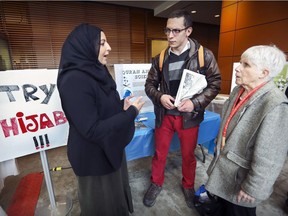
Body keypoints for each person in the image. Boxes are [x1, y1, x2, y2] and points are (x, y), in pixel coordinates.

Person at [57, 23, 144, 216]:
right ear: (85, 46)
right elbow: (91, 129)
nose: (109, 48)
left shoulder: (97, 72)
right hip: (93, 159)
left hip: (109, 148)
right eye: (102, 43)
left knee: (115, 199)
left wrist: (121, 106)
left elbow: (100, 106)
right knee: (102, 205)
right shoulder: (74, 80)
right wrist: (131, 114)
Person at [144, 9, 221, 208]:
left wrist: (194, 103)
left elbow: (215, 84)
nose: (170, 35)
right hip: (165, 116)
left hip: (189, 116)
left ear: (188, 31)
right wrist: (160, 97)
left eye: (176, 31)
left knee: (188, 155)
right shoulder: (160, 58)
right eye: (167, 30)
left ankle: (188, 185)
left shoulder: (204, 56)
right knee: (160, 153)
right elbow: (149, 86)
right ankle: (156, 183)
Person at [205, 45, 288, 216]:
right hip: (224, 171)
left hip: (241, 180)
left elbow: (271, 156)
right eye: (240, 63)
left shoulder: (275, 104)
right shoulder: (238, 90)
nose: (238, 68)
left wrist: (254, 188)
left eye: (246, 65)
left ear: (264, 73)